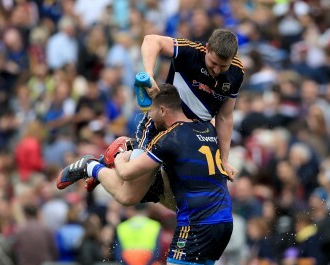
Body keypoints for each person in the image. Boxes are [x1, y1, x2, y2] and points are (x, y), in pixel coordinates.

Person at [62, 85, 249, 265]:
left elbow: (125, 175)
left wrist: (121, 156)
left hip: (196, 223)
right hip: (223, 220)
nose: (150, 117)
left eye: (152, 111)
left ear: (163, 110)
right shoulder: (206, 127)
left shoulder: (167, 139)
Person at [80, 29, 244, 201]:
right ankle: (95, 164)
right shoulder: (191, 52)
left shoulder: (236, 73)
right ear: (207, 47)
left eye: (223, 66)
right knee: (128, 197)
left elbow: (225, 117)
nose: (217, 70)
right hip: (161, 125)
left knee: (187, 200)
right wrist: (149, 74)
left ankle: (147, 180)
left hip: (191, 138)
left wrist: (224, 160)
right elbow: (151, 40)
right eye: (213, 63)